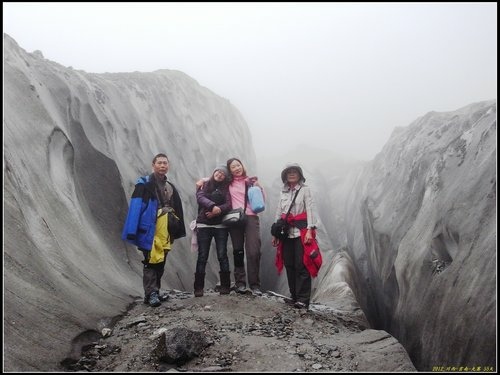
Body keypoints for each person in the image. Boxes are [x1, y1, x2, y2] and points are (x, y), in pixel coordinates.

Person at [122, 153, 186, 307]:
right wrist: (132, 229)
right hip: (150, 229)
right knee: (151, 261)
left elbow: (177, 209)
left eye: (165, 163)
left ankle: (154, 292)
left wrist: (176, 228)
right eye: (159, 163)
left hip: (166, 230)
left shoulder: (170, 187)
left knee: (161, 260)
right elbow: (136, 207)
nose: (163, 165)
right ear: (153, 165)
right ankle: (150, 294)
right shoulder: (144, 185)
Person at [272, 163, 320, 310]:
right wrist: (275, 232)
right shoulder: (283, 192)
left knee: (302, 265)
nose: (292, 174)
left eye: (294, 172)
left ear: (299, 175)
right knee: (290, 265)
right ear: (285, 175)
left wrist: (310, 230)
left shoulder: (305, 190)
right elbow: (279, 211)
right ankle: (294, 296)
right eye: (289, 172)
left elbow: (310, 209)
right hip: (286, 233)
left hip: (301, 231)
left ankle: (303, 299)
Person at [225, 157, 265, 295]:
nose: (237, 168)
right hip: (235, 218)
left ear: (242, 165)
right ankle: (240, 283)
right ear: (229, 171)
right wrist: (203, 181)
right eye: (233, 167)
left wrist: (258, 188)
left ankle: (255, 285)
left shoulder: (251, 182)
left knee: (254, 251)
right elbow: (213, 179)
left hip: (251, 217)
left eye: (238, 165)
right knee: (238, 251)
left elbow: (261, 201)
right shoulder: (227, 183)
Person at [194, 165, 232, 297]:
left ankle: (225, 287)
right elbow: (200, 197)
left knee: (222, 255)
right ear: (214, 172)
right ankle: (198, 288)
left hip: (220, 225)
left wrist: (217, 211)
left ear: (225, 177)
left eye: (223, 173)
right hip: (204, 225)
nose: (220, 174)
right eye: (218, 171)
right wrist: (212, 207)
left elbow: (229, 204)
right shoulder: (204, 184)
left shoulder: (227, 188)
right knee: (202, 255)